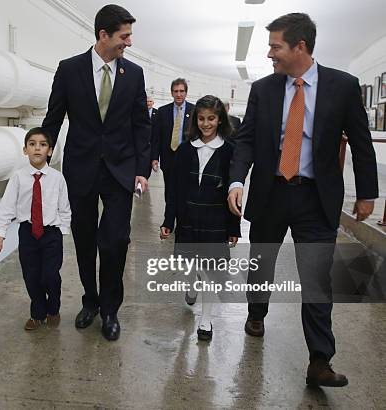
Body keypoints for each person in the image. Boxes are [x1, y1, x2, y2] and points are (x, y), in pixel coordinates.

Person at [227, 13, 378, 387]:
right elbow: (245, 139)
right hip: (271, 192)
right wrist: (236, 180)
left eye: (276, 46)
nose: (270, 54)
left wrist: (367, 194)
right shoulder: (264, 89)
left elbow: (360, 143)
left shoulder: (342, 87)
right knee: (262, 262)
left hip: (316, 198)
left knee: (317, 279)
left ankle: (319, 360)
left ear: (301, 47)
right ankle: (256, 311)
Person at [41, 4, 151, 341]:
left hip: (121, 171)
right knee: (85, 239)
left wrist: (142, 170)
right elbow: (54, 117)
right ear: (103, 35)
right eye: (124, 36)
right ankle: (90, 300)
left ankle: (110, 310)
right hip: (81, 169)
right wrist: (42, 160)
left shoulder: (133, 74)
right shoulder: (69, 70)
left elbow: (141, 126)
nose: (129, 42)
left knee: (115, 241)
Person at [160, 95, 240, 341]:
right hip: (187, 218)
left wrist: (233, 227)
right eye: (202, 118)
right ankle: (191, 282)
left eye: (212, 119)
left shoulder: (229, 151)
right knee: (190, 266)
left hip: (214, 221)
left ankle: (205, 321)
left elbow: (233, 193)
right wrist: (168, 220)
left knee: (210, 271)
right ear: (196, 120)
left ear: (220, 120)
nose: (206, 124)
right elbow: (173, 189)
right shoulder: (185, 149)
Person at [0, 127, 72, 331]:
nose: (37, 148)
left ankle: (53, 308)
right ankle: (37, 313)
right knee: (31, 276)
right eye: (32, 144)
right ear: (25, 150)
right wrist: (0, 233)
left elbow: (64, 208)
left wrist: (62, 231)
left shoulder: (57, 178)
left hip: (52, 234)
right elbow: (7, 206)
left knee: (50, 275)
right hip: (28, 233)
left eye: (43, 145)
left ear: (50, 150)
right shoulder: (18, 178)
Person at [151, 78, 195, 200]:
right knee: (170, 192)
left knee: (185, 192)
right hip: (168, 158)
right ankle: (169, 217)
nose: (179, 94)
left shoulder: (194, 111)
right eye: (175, 91)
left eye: (182, 91)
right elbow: (156, 137)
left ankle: (183, 217)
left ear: (186, 92)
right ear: (171, 93)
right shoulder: (162, 111)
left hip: (187, 158)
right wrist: (155, 157)